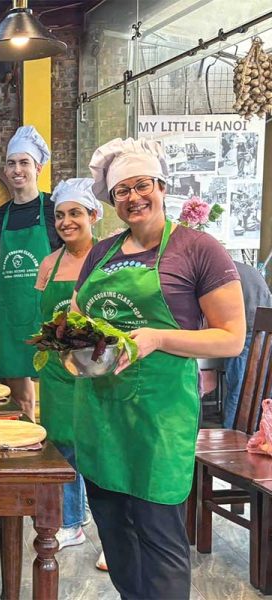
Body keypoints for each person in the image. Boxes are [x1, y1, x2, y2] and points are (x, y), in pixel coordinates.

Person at [74, 137, 245, 599]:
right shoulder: (101, 253)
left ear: (162, 186)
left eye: (142, 185)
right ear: (112, 201)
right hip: (101, 410)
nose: (133, 197)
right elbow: (78, 316)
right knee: (114, 529)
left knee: (158, 532)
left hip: (158, 414)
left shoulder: (198, 249)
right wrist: (70, 344)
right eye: (121, 191)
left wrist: (158, 337)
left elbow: (231, 337)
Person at [0, 125, 61, 420]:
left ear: (37, 168)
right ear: (5, 169)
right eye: (11, 163)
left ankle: (57, 442)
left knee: (57, 387)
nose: (17, 170)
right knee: (19, 397)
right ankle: (28, 439)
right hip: (9, 316)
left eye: (24, 162)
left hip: (47, 313)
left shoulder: (54, 209)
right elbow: (0, 272)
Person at [34, 178, 102, 553]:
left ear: (93, 215)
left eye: (75, 213)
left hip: (96, 368)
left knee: (98, 445)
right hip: (57, 370)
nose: (66, 222)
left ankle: (110, 531)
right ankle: (72, 521)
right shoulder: (49, 263)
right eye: (60, 215)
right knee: (62, 445)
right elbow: (42, 316)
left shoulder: (106, 259)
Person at [223, 260, 272, 427]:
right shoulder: (248, 270)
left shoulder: (223, 272)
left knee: (238, 392)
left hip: (244, 333)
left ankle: (230, 432)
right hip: (264, 333)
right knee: (262, 391)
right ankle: (260, 432)